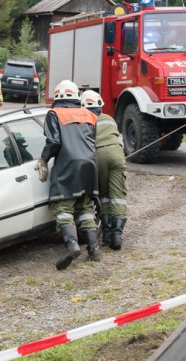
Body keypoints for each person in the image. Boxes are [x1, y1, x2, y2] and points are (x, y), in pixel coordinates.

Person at [34, 80, 100, 270]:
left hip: (68, 165)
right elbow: (90, 141)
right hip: (89, 164)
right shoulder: (89, 114)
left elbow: (53, 142)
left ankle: (71, 246)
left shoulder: (55, 114)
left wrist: (44, 159)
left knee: (64, 208)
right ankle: (94, 249)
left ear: (58, 97)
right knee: (85, 207)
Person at [80, 90, 127, 249]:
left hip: (98, 157)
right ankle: (116, 236)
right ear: (100, 105)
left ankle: (106, 233)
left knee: (104, 194)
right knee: (118, 195)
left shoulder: (84, 121)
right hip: (116, 155)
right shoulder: (109, 119)